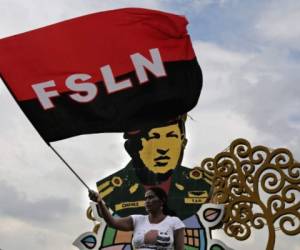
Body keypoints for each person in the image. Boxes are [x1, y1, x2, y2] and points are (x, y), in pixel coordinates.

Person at [89, 186, 185, 250]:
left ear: (162, 201)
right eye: (146, 198)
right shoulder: (137, 220)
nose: (147, 201)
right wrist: (100, 202)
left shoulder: (175, 222)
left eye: (151, 197)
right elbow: (112, 222)